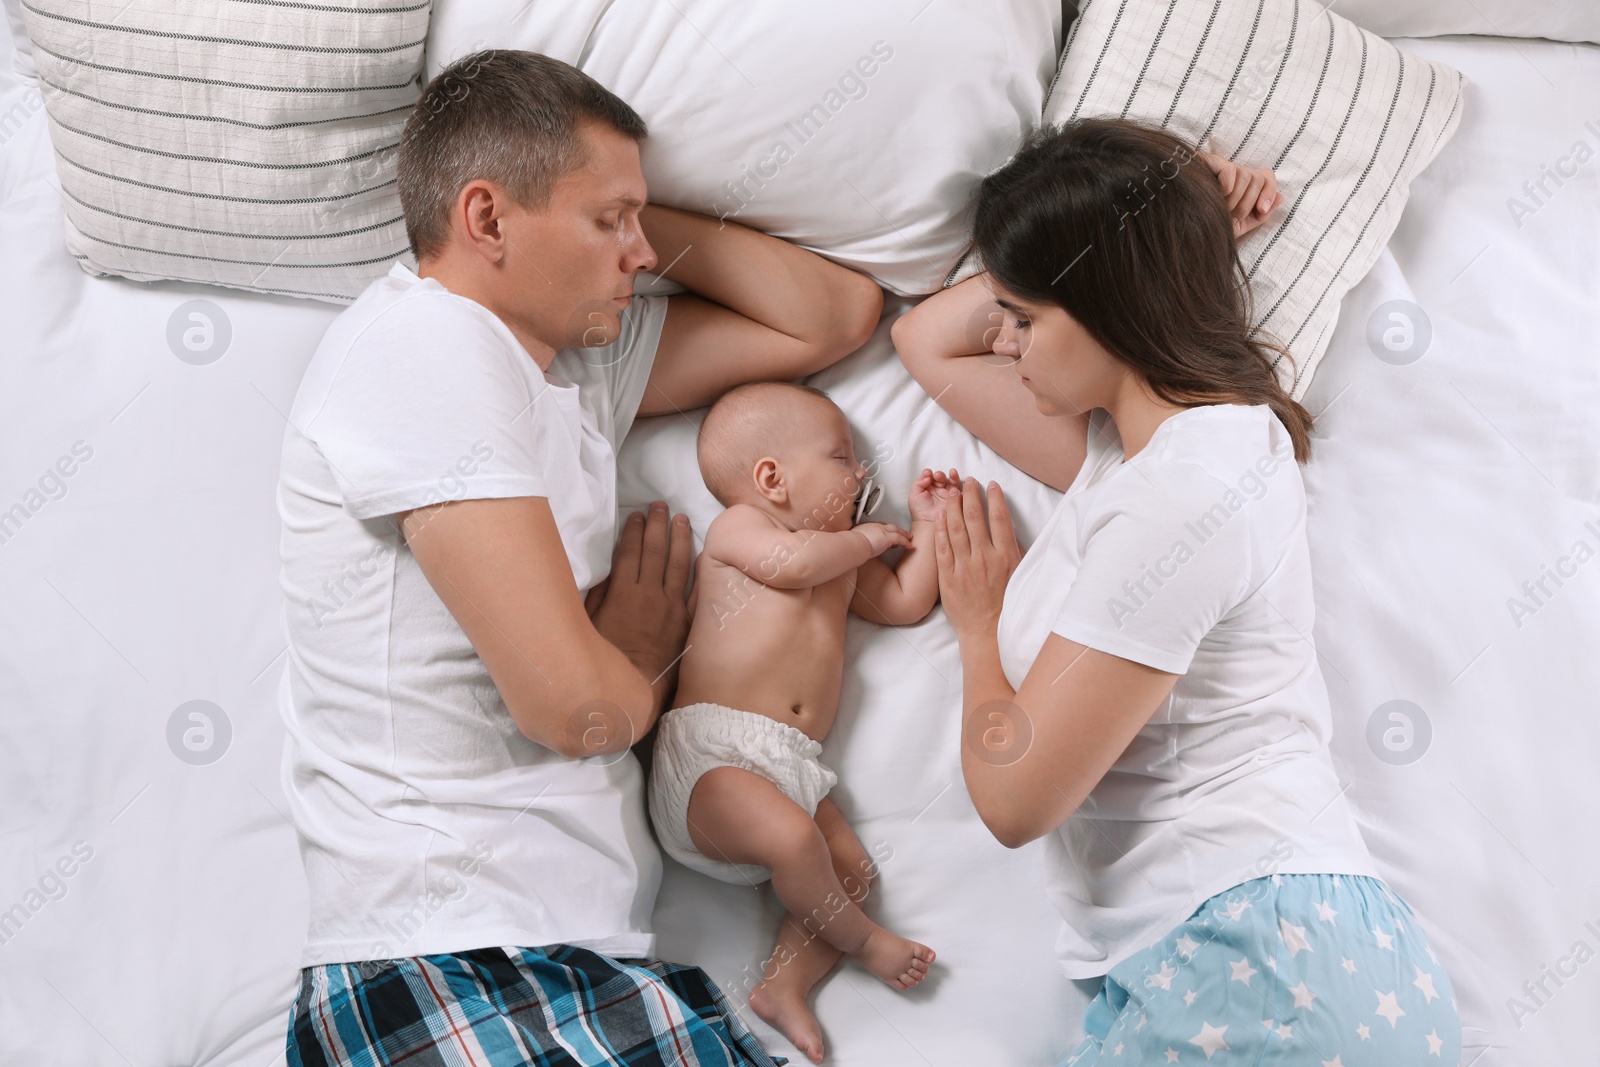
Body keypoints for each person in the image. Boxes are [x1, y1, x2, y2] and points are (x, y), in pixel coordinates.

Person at [275, 50, 882, 1067]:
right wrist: (637, 651)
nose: (642, 254)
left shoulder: (566, 377)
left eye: (639, 222)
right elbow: (576, 711)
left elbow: (832, 316)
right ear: (486, 220)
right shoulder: (426, 343)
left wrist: (613, 217)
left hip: (562, 957)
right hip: (447, 949)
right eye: (611, 221)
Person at [894, 117, 1461, 1065]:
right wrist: (1169, 218)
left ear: (1110, 305)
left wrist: (980, 629)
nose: (1003, 340)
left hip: (1260, 956)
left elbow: (1015, 800)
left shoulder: (1185, 493)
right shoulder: (1136, 453)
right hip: (1247, 956)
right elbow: (924, 339)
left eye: (1025, 317)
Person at [648, 381, 961, 1062]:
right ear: (771, 479)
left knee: (850, 872)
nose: (861, 474)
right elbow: (790, 567)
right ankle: (868, 942)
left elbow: (906, 601)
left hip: (790, 762)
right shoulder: (741, 529)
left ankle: (781, 985)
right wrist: (870, 537)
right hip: (714, 755)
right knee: (795, 841)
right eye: (843, 457)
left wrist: (928, 527)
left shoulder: (842, 561)